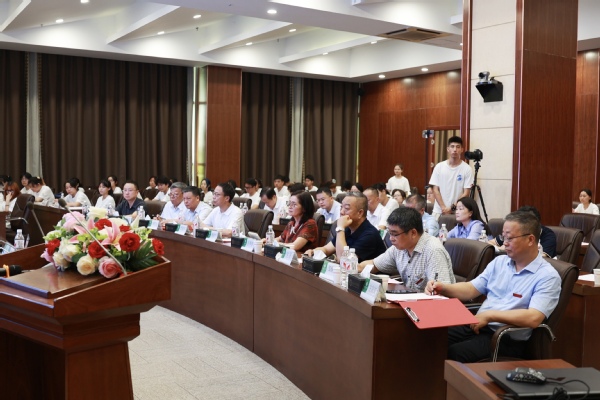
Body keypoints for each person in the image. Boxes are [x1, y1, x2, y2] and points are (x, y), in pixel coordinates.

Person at [426, 211, 561, 363]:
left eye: (510, 238)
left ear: (530, 239)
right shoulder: (500, 262)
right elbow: (471, 289)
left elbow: (533, 318)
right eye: (503, 237)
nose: (504, 243)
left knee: (455, 353)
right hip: (478, 324)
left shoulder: (547, 276)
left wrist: (490, 316)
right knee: (433, 337)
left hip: (505, 338)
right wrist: (443, 288)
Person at [358, 207, 455, 292]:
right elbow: (375, 264)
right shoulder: (398, 248)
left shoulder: (433, 250)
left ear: (413, 233)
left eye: (395, 234)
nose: (391, 238)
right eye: (390, 233)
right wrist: (355, 268)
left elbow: (440, 290)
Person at [305, 192, 386, 262]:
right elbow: (326, 249)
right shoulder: (348, 228)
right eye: (341, 207)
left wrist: (340, 228)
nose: (341, 212)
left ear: (360, 213)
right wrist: (314, 251)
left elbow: (344, 260)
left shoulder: (370, 234)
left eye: (346, 208)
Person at [429, 136, 473, 220]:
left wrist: (452, 208)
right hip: (439, 211)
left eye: (458, 147)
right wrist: (443, 207)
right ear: (448, 149)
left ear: (462, 149)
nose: (455, 149)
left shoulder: (467, 169)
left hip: (457, 212)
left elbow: (466, 193)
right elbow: (435, 189)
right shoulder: (439, 167)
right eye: (452, 146)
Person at [490, 206, 557, 258]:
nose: (505, 242)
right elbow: (489, 243)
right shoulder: (514, 232)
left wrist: (504, 249)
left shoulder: (549, 236)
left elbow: (541, 257)